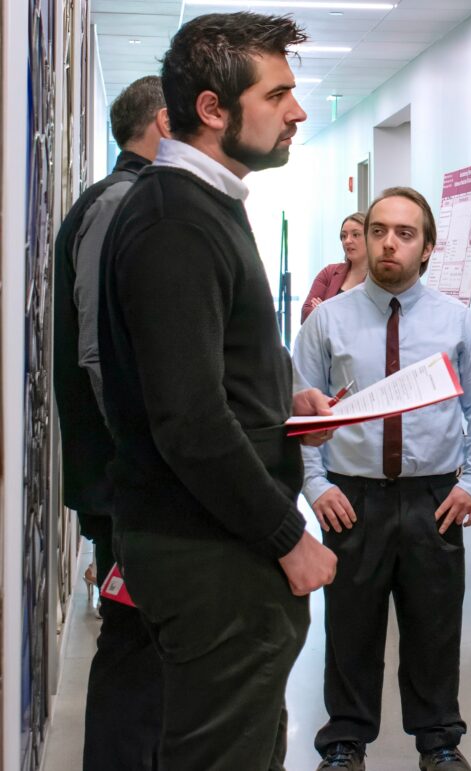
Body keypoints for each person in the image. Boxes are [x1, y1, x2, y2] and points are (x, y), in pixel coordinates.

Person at [97, 13, 338, 770]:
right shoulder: (176, 220)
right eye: (279, 94)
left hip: (213, 541)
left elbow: (210, 357)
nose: (297, 111)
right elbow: (190, 419)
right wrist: (287, 536)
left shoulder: (206, 205)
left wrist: (282, 393)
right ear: (212, 109)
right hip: (210, 551)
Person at [293, 186, 471, 771]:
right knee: (350, 625)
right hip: (351, 497)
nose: (389, 243)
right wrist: (317, 487)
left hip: (432, 497)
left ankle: (438, 741)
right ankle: (344, 741)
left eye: (405, 234)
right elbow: (299, 413)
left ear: (428, 248)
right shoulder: (326, 322)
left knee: (434, 624)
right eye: (380, 229)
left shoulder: (457, 324)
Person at [53, 74, 168, 771]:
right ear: (164, 120)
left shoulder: (130, 198)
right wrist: (145, 466)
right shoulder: (120, 202)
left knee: (148, 649)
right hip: (126, 483)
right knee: (132, 645)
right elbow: (102, 355)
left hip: (130, 479)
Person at [301, 212, 368, 323]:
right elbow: (305, 314)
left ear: (370, 238)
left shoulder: (379, 279)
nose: (347, 241)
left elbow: (368, 322)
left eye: (355, 235)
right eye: (343, 236)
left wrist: (323, 310)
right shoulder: (329, 272)